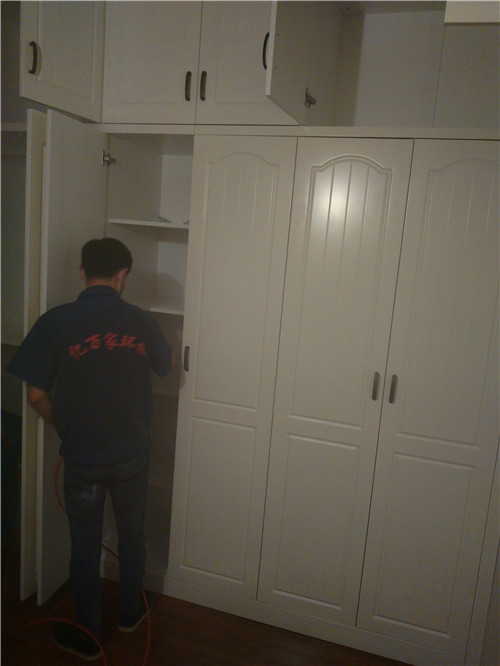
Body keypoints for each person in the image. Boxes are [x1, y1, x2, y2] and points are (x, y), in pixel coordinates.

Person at [8, 238, 173, 661]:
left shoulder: (55, 321)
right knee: (132, 533)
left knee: (84, 544)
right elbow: (164, 365)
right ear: (123, 275)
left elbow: (35, 395)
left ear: (82, 273)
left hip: (83, 457)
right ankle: (130, 613)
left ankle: (88, 636)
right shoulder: (140, 320)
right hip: (132, 454)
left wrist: (66, 426)